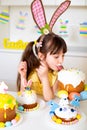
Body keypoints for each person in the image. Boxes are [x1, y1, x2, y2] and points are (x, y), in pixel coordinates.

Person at [17, 32, 67, 101]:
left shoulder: (58, 73)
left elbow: (49, 99)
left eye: (63, 55)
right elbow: (23, 96)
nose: (61, 60)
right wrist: (23, 77)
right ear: (41, 56)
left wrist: (44, 78)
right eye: (56, 57)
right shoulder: (30, 69)